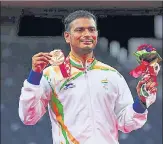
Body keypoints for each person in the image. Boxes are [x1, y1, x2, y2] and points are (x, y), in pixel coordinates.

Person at [19, 10, 158, 144]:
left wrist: (141, 102)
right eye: (80, 30)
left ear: (97, 35)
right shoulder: (52, 75)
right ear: (67, 36)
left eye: (91, 30)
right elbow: (28, 117)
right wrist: (34, 76)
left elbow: (126, 123)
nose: (87, 34)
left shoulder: (112, 75)